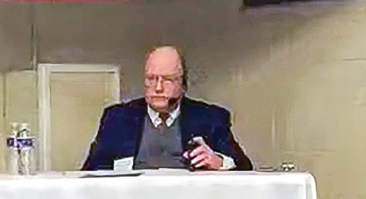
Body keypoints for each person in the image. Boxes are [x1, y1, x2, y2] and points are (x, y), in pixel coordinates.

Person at [82, 46, 252, 171]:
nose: (158, 87)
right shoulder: (118, 118)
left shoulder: (210, 119)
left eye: (167, 79)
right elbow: (90, 172)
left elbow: (246, 169)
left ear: (183, 85)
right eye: (151, 79)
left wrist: (220, 163)